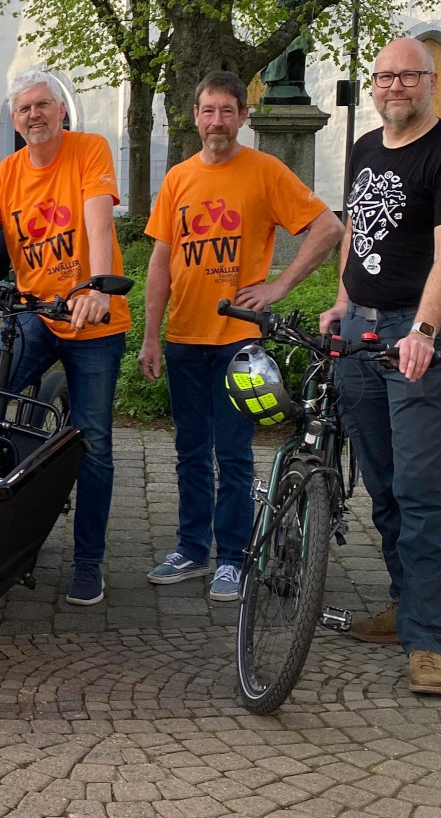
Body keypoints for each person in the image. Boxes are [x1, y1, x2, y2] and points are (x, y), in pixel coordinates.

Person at [138, 71, 342, 602]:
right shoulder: (179, 177)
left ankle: (231, 558)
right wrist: (151, 337)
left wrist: (279, 286)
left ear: (243, 117)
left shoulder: (265, 171)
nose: (217, 121)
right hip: (184, 336)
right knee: (188, 452)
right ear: (196, 115)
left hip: (239, 341)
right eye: (208, 110)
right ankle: (190, 549)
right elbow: (160, 262)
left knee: (232, 454)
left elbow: (328, 228)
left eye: (228, 111)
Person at [0, 65, 130, 607]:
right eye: (24, 109)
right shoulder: (5, 175)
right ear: (15, 122)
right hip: (37, 312)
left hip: (93, 318)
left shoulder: (89, 151)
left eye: (43, 105)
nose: (34, 115)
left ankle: (89, 561)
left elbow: (97, 223)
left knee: (92, 442)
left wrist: (95, 287)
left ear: (61, 111)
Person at [318, 37, 441, 694]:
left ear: (429, 81)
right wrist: (341, 303)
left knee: (423, 494)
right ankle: (405, 607)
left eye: (407, 76)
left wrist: (423, 329)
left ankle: (430, 642)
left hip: (412, 338)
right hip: (360, 332)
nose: (395, 86)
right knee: (386, 489)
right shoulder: (364, 147)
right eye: (384, 76)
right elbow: (354, 235)